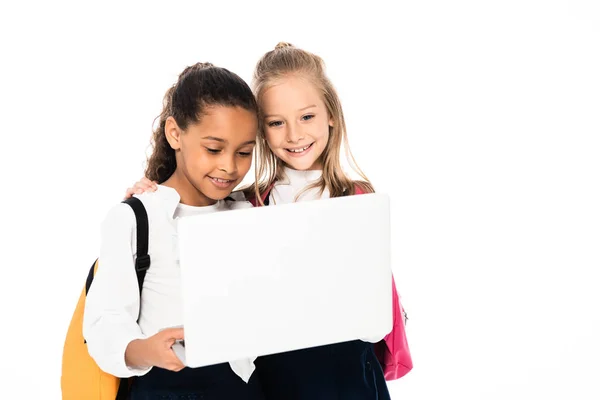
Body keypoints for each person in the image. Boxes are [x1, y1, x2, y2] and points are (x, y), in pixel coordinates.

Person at [126, 43, 412, 400]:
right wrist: (151, 194)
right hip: (278, 376)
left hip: (349, 372)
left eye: (307, 117)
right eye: (276, 123)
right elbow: (186, 214)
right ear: (260, 131)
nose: (294, 135)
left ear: (331, 115)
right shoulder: (245, 203)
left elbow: (375, 316)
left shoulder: (358, 198)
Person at [83, 62, 266, 400]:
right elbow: (103, 322)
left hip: (242, 387)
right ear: (175, 133)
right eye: (213, 149)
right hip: (167, 387)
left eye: (244, 152)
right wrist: (145, 350)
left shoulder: (249, 213)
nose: (229, 165)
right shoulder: (135, 218)